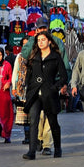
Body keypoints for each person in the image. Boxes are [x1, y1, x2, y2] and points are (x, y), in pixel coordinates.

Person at [20, 17, 70, 155]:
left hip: (50, 92)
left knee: (52, 121)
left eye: (43, 38)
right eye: (39, 39)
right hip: (35, 92)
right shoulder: (33, 56)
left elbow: (64, 73)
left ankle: (56, 148)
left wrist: (57, 87)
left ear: (48, 39)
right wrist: (28, 88)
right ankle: (31, 151)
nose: (41, 41)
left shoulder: (56, 55)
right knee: (34, 120)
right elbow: (25, 61)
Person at [12, 36, 31, 144]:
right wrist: (14, 88)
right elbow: (15, 72)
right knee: (24, 114)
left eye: (27, 43)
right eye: (24, 44)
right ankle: (27, 136)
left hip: (33, 88)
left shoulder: (35, 55)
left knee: (33, 112)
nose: (25, 45)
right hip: (22, 89)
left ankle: (35, 136)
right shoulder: (19, 56)